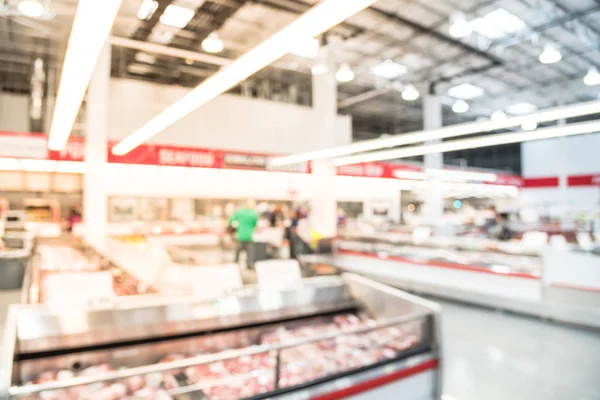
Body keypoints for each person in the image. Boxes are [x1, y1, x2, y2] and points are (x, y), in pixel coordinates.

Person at [228, 200, 258, 268]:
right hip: (249, 236)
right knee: (250, 252)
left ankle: (235, 264)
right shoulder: (253, 213)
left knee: (237, 251)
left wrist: (234, 227)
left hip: (240, 235)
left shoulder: (240, 212)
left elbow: (231, 220)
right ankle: (249, 264)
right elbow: (254, 224)